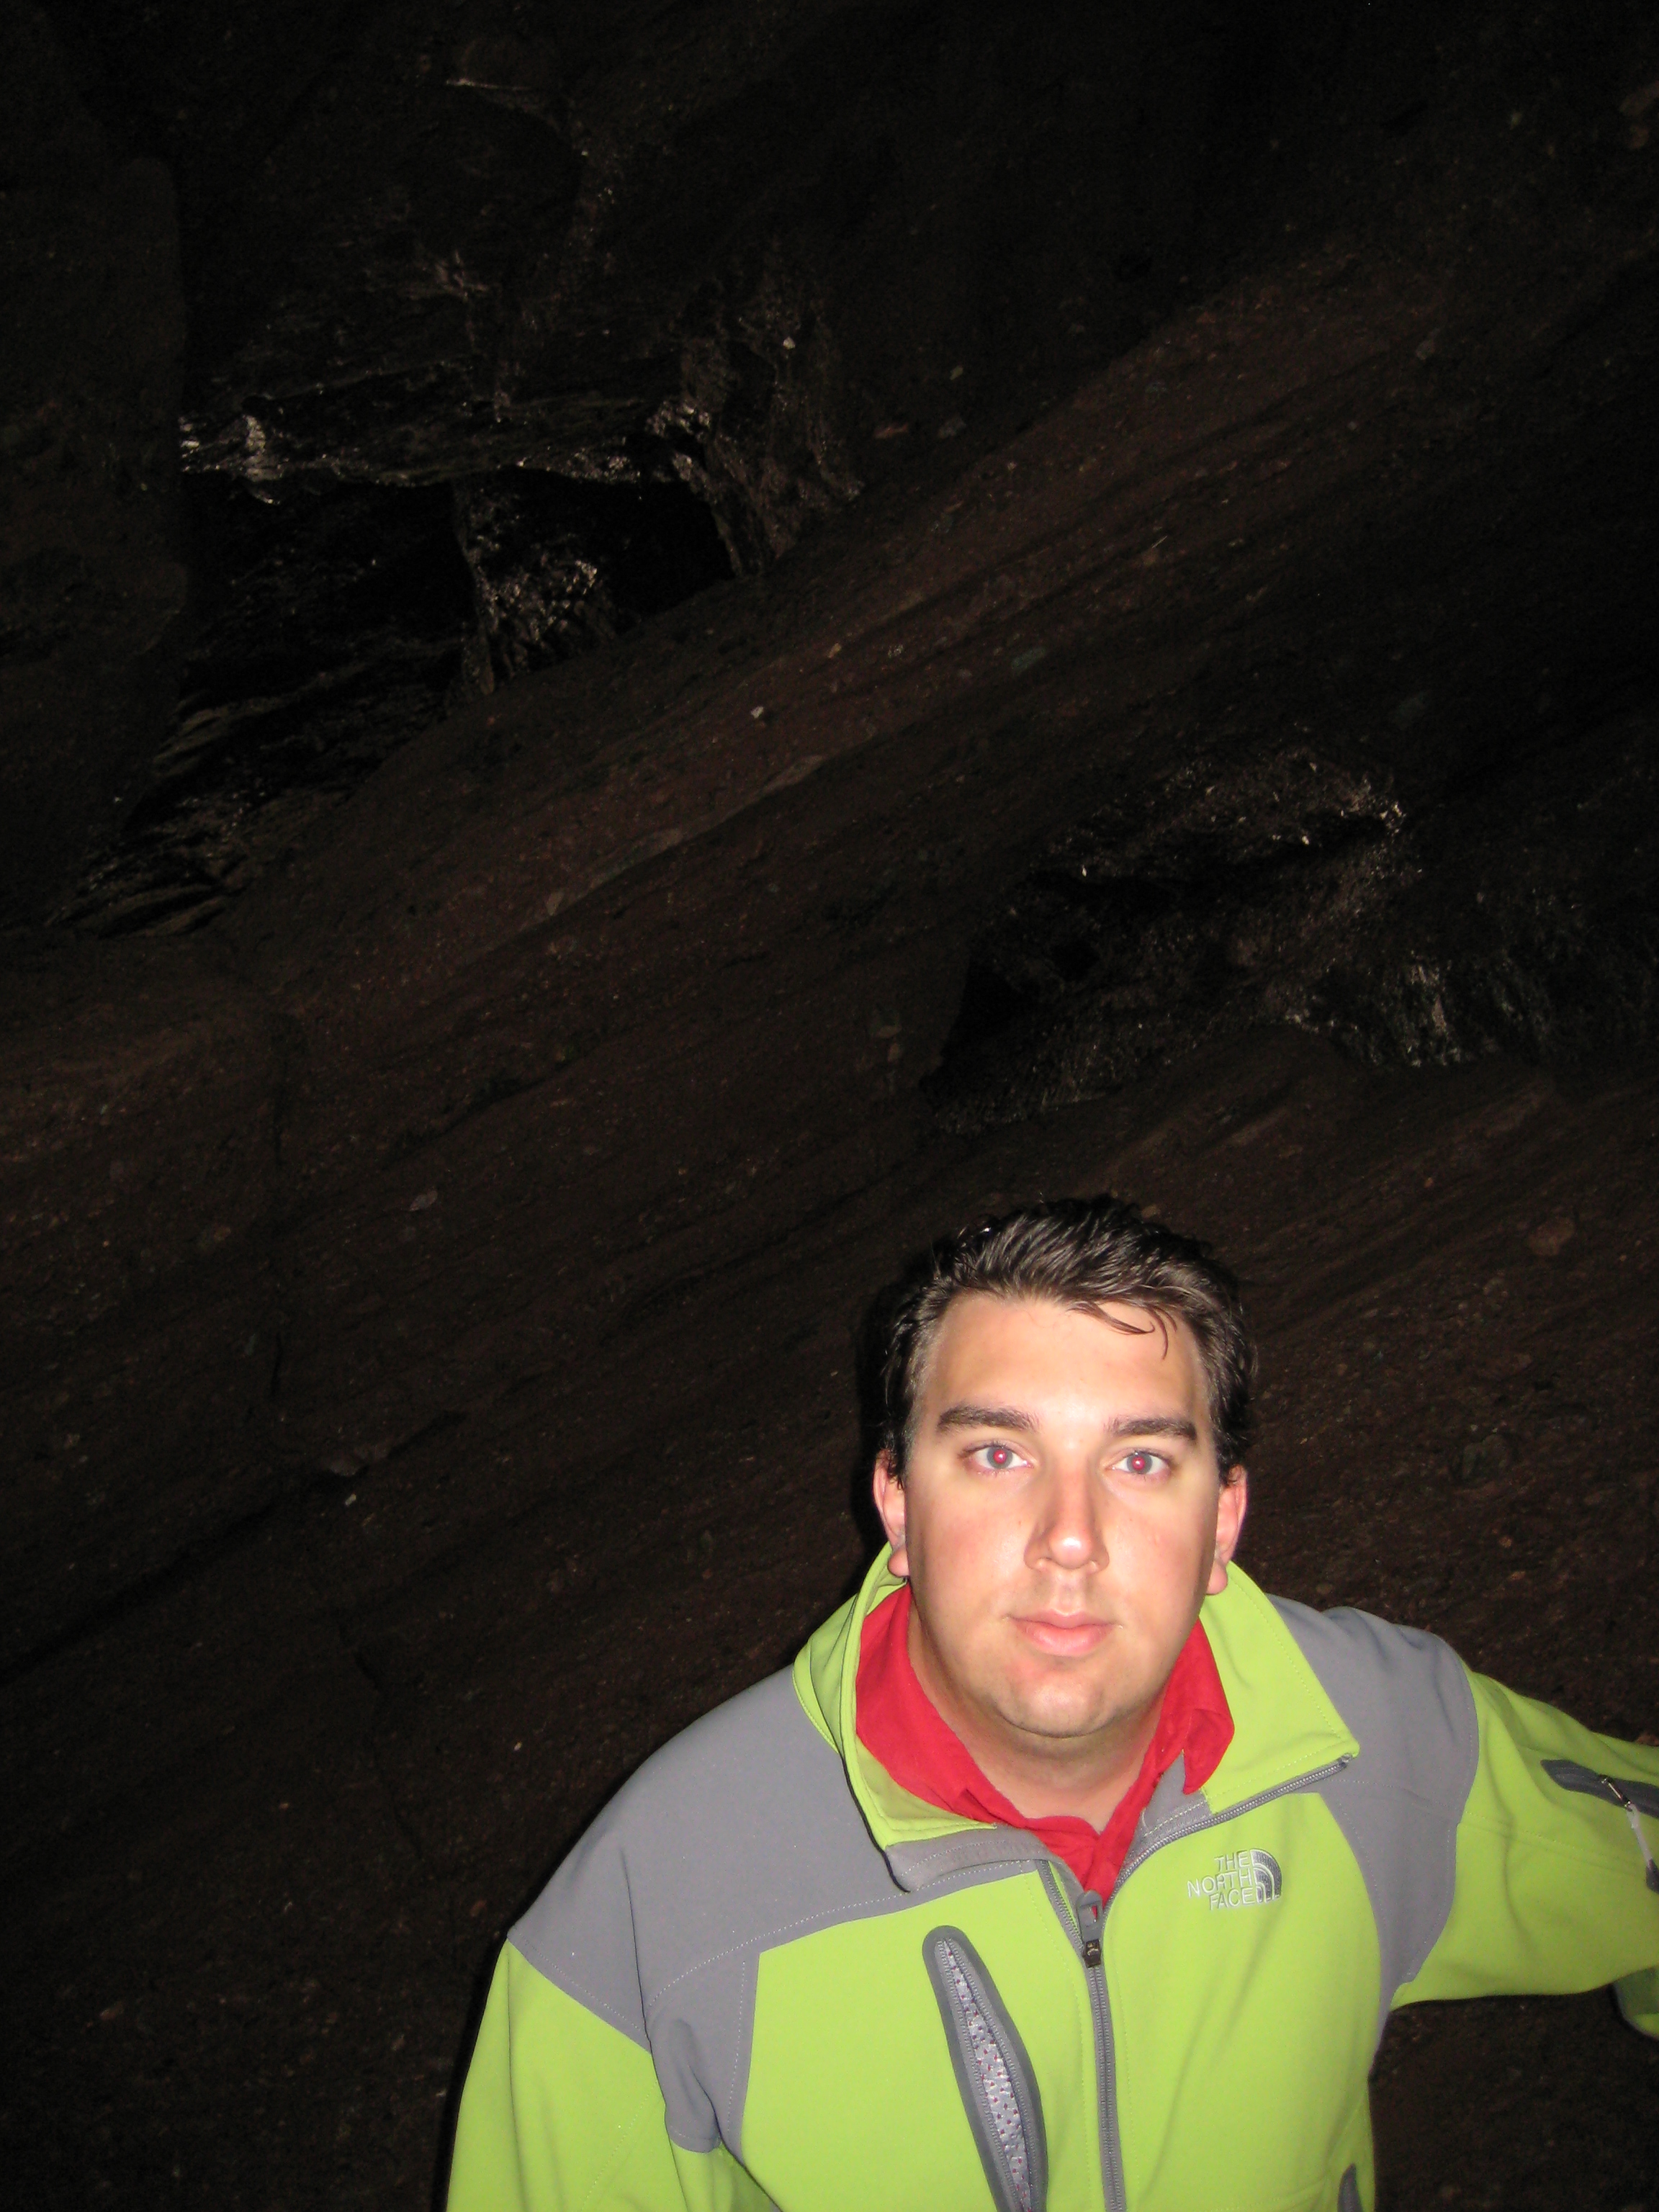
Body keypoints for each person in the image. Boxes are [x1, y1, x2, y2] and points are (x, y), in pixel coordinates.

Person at [446, 1197, 1659, 2212]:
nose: (1069, 1538)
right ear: (897, 1504)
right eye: (998, 1454)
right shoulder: (655, 1910)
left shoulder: (1371, 1741)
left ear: (1223, 1519)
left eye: (1140, 1460)